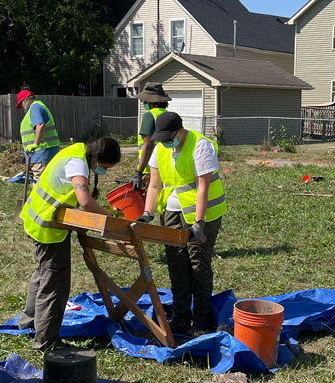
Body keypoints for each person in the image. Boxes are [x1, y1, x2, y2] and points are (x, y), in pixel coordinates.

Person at [18, 136, 122, 354]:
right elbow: (84, 200)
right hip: (48, 227)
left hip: (38, 220)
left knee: (42, 272)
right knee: (54, 283)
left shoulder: (75, 151)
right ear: (96, 156)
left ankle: (27, 321)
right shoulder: (77, 163)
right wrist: (111, 223)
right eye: (104, 167)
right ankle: (45, 341)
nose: (104, 171)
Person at [138, 112, 226, 335]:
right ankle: (180, 318)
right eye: (163, 139)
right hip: (171, 213)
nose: (167, 143)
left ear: (180, 131)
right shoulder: (161, 149)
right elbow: (155, 185)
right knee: (176, 265)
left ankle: (201, 320)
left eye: (170, 138)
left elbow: (203, 187)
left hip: (203, 214)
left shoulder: (200, 146)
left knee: (198, 266)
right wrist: (147, 213)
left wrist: (199, 223)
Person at [130, 82, 170, 191]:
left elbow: (147, 145)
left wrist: (138, 172)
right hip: (166, 168)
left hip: (150, 169)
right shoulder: (168, 115)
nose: (144, 103)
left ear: (150, 101)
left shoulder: (149, 116)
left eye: (144, 101)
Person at [16, 89, 60, 178]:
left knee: (40, 180)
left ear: (26, 99)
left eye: (21, 103)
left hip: (42, 151)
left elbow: (40, 125)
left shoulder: (35, 107)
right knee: (48, 179)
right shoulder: (38, 106)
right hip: (41, 152)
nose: (22, 106)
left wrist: (35, 144)